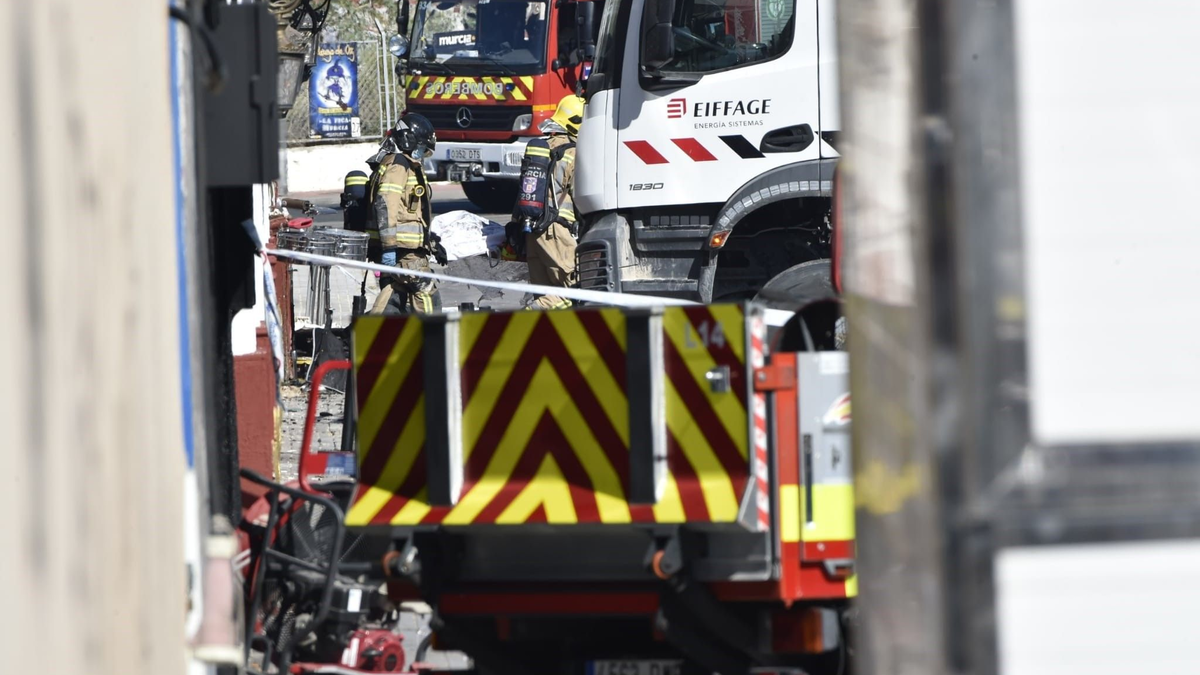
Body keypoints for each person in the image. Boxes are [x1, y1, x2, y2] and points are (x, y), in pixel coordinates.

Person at [365, 112, 445, 315]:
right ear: (408, 141)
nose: (421, 154)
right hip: (402, 248)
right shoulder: (398, 166)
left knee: (395, 290)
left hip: (405, 247)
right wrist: (389, 246)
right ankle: (433, 338)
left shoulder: (400, 164)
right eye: (420, 148)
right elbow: (386, 204)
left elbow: (411, 212)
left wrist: (431, 242)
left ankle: (369, 335)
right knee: (425, 291)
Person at [511, 94, 584, 310]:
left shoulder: (541, 150)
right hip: (556, 232)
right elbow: (580, 195)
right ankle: (517, 323)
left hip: (532, 233)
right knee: (569, 294)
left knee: (543, 294)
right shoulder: (572, 151)